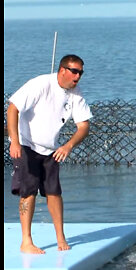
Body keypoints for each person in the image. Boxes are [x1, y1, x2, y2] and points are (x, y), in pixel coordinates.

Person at [7, 54, 93, 254]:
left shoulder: (76, 93)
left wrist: (68, 146)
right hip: (26, 144)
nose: (78, 77)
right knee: (28, 192)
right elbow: (12, 109)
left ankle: (60, 236)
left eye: (81, 72)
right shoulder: (40, 84)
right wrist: (15, 142)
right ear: (62, 70)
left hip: (50, 148)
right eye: (74, 72)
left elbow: (83, 126)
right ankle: (26, 241)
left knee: (54, 192)